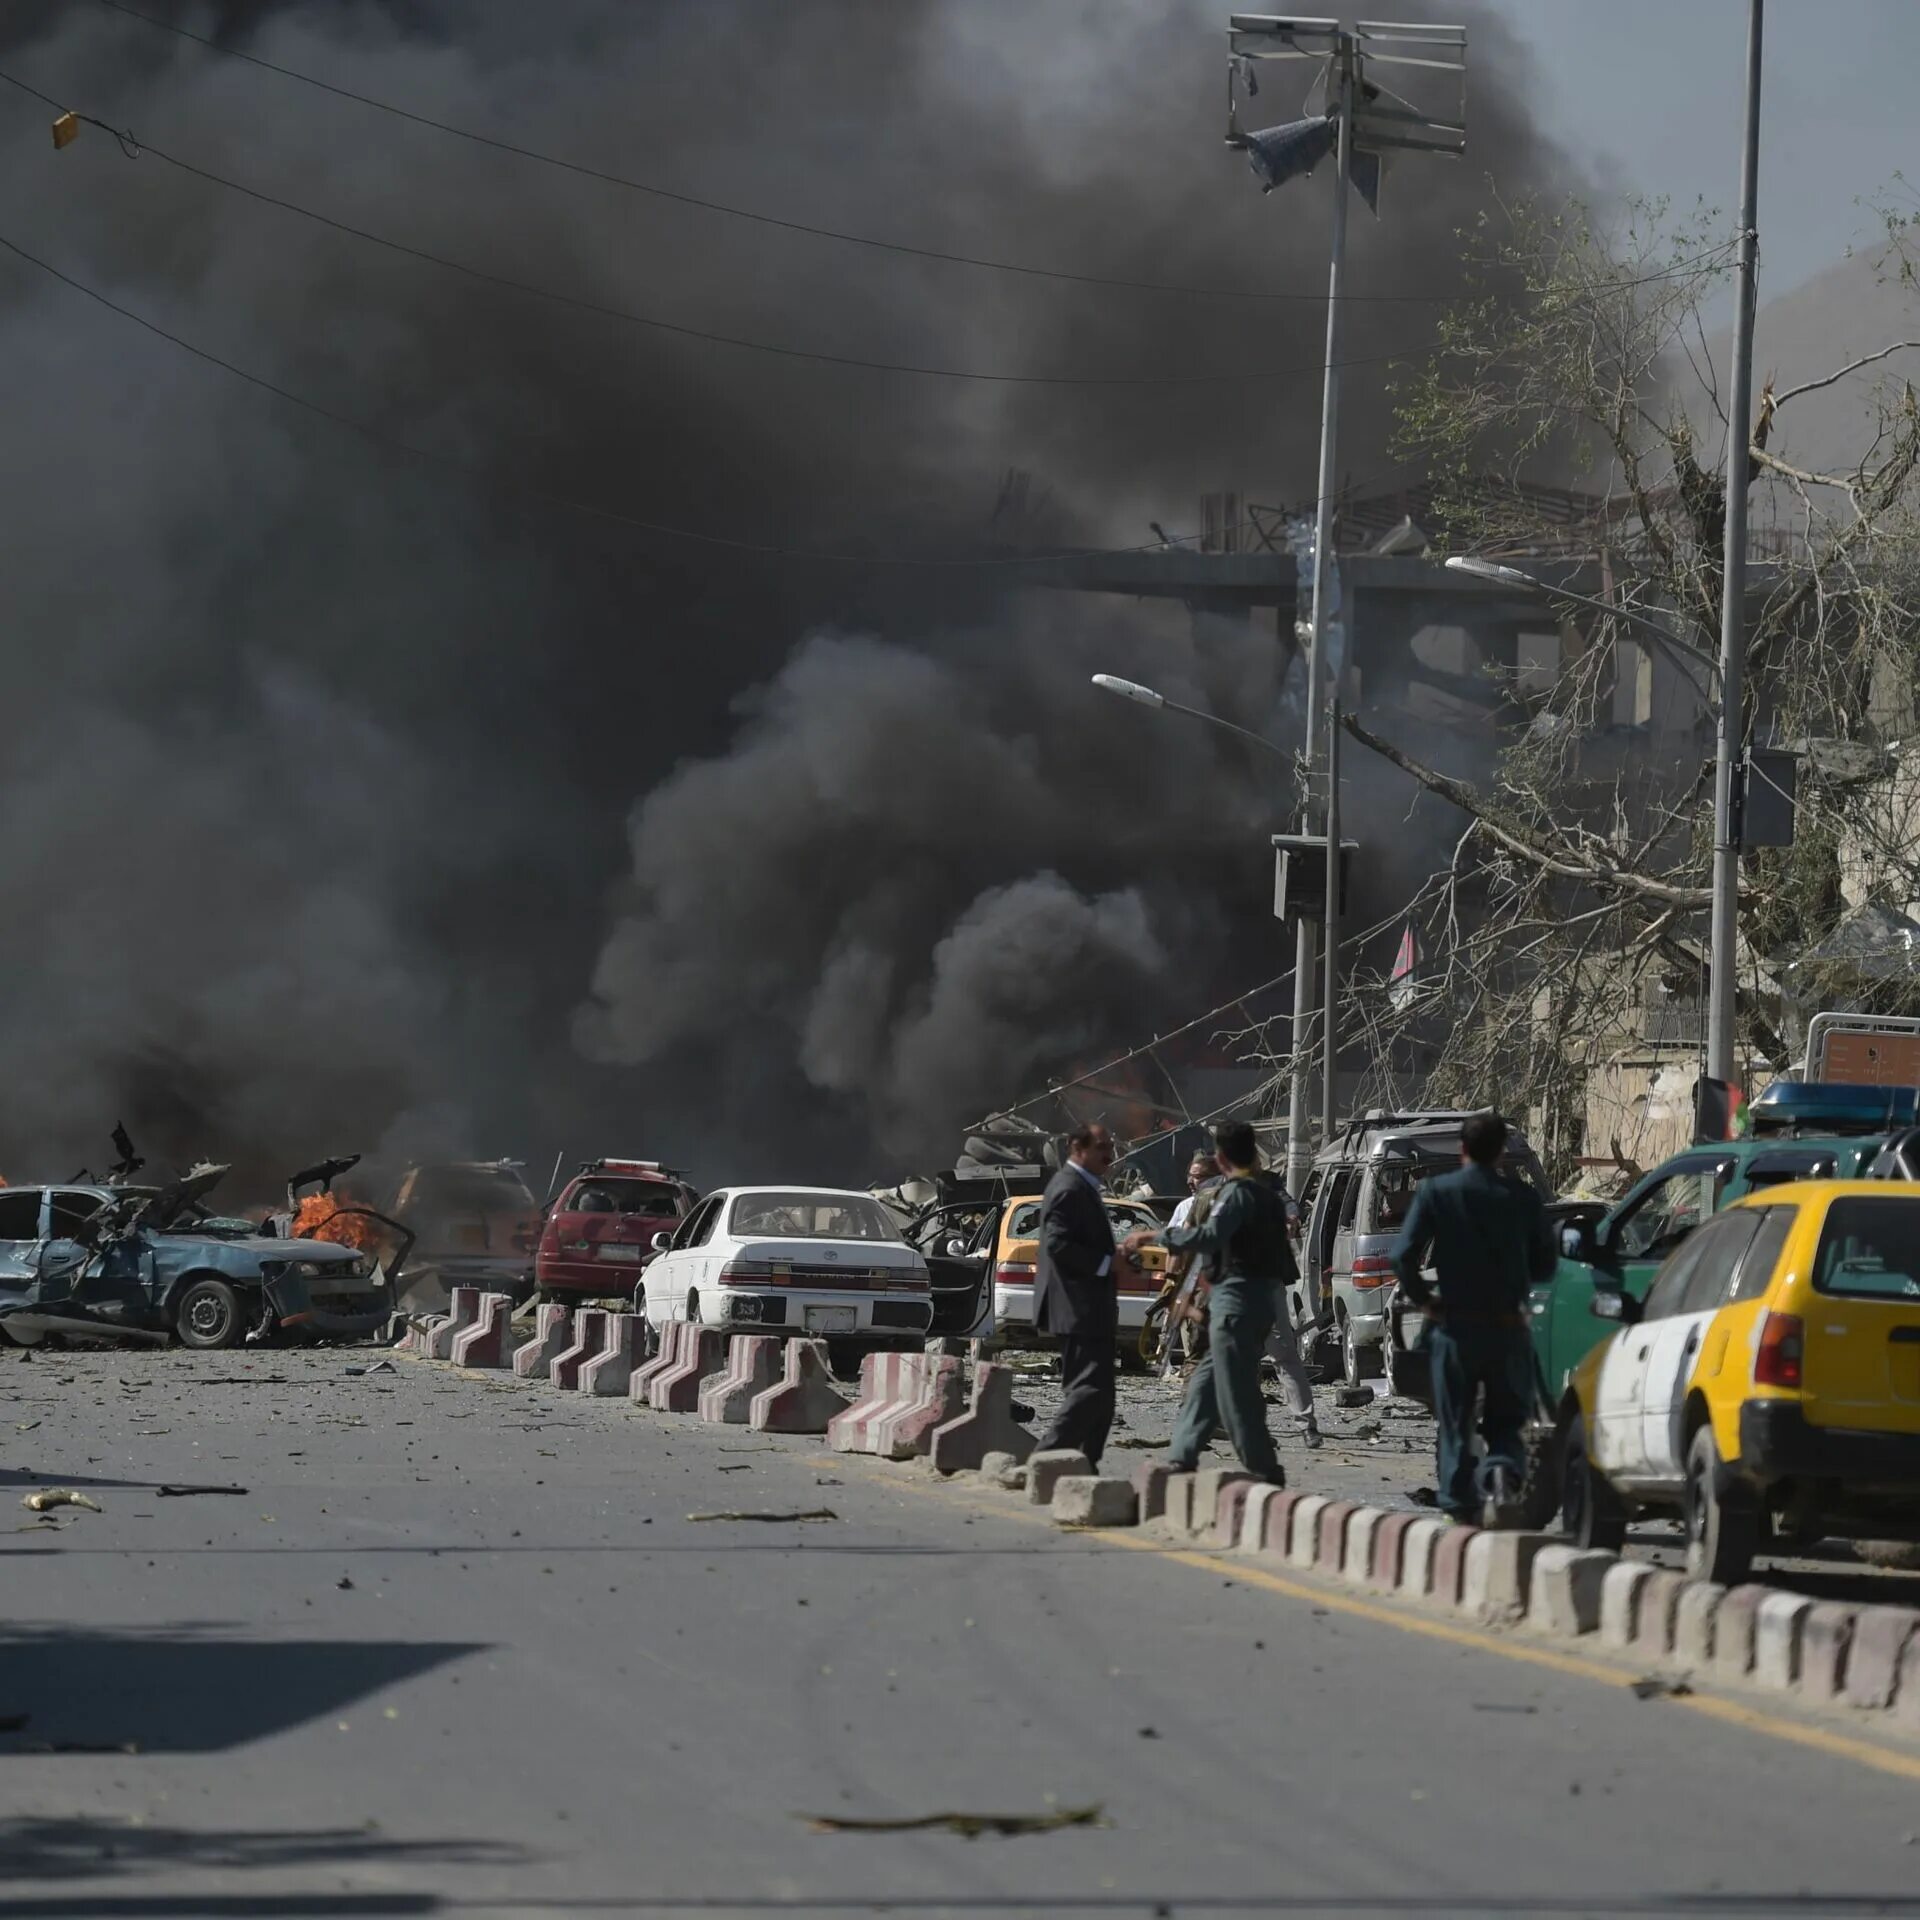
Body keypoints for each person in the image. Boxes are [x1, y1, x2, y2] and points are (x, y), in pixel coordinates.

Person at [1390, 1110, 1555, 1526]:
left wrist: (1426, 1301)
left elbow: (1402, 1257)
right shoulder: (1522, 1198)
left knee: (1455, 1422)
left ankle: (1459, 1507)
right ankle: (1501, 1472)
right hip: (1507, 1329)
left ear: (1462, 1149)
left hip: (1456, 1327)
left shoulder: (1436, 1193)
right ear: (1501, 1151)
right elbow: (1546, 1265)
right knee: (1506, 1420)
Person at [1127, 1120, 1294, 1484]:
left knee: (1237, 1394)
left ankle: (1265, 1469)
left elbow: (1209, 1236)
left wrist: (1154, 1234)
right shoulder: (1268, 1195)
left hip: (1237, 1302)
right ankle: (1182, 1456)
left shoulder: (1235, 1195)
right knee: (1204, 1378)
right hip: (1255, 1299)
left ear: (1221, 1159)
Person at [1033, 1121, 1134, 1466]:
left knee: (1103, 1398)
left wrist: (1116, 1258)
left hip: (1092, 1309)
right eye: (1101, 1146)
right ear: (1078, 1148)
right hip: (1077, 1308)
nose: (1110, 1153)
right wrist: (1107, 1263)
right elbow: (1057, 1245)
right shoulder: (1068, 1188)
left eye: (1111, 1145)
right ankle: (1043, 1460)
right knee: (1088, 1391)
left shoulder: (1085, 1187)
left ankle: (1084, 1467)